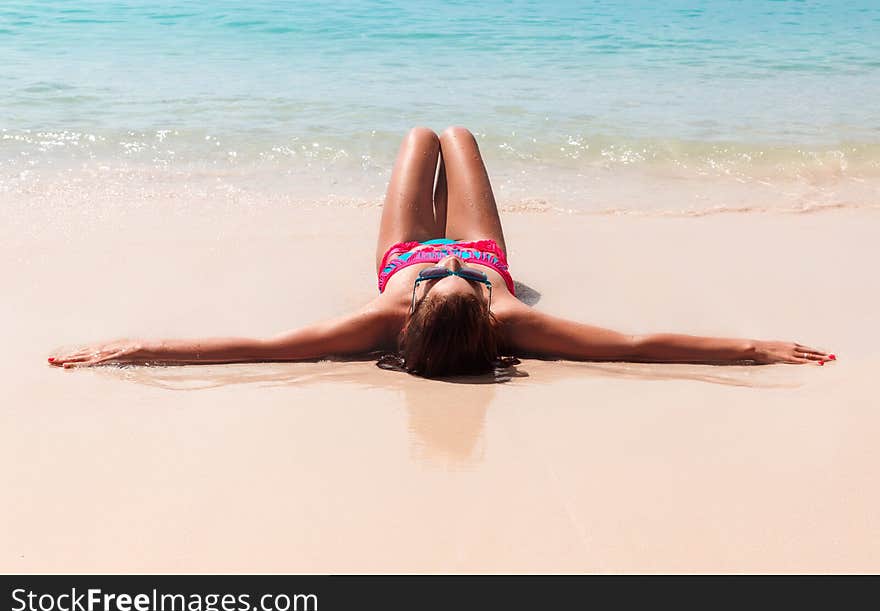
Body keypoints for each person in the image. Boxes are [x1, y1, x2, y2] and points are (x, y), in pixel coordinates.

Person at [48, 127, 835, 375]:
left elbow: (250, 347)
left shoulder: (382, 313)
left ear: (417, 306)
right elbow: (640, 345)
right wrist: (754, 346)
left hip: (400, 249)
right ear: (489, 309)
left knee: (418, 138)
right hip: (494, 246)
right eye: (465, 282)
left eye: (445, 279)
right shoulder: (507, 317)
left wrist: (134, 345)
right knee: (459, 136)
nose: (449, 270)